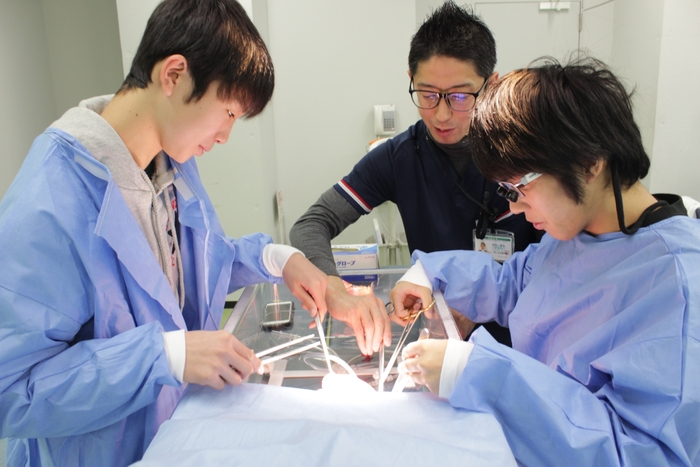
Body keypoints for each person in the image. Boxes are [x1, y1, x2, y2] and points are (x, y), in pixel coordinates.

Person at [0, 1, 330, 465]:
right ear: (174, 75)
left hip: (167, 437)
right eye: (228, 112)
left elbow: (189, 266)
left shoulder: (168, 165)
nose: (225, 136)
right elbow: (11, 390)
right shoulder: (50, 200)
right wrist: (163, 356)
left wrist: (277, 259)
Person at [391, 57, 700, 466]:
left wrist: (480, 374)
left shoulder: (678, 287)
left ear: (588, 163)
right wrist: (431, 275)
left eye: (519, 188)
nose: (515, 208)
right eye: (506, 191)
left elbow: (642, 455)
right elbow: (515, 284)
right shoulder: (577, 233)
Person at [289, 1, 540, 353]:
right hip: (438, 343)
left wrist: (480, 308)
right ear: (411, 80)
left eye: (459, 96)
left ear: (491, 84)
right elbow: (311, 225)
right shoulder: (399, 158)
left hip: (522, 344)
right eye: (427, 94)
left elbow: (561, 264)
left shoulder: (527, 158)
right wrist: (333, 288)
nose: (441, 114)